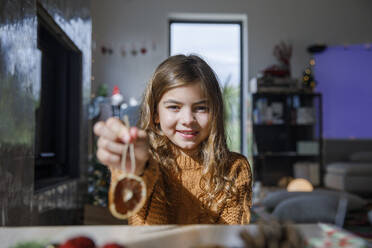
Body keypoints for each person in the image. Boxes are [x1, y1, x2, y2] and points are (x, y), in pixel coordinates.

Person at [93, 54, 252, 225]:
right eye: (174, 107)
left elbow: (230, 238)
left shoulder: (235, 169)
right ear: (155, 114)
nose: (188, 119)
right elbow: (126, 207)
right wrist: (135, 171)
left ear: (215, 113)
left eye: (201, 108)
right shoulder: (147, 161)